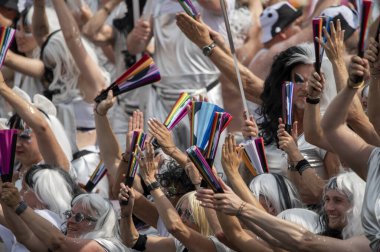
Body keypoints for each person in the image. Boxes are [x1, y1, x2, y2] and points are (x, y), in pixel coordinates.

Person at [196, 171, 370, 251]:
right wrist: (224, 198)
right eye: (327, 200)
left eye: (338, 201)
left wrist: (241, 208)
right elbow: (274, 238)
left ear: (358, 204)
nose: (329, 208)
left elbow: (304, 241)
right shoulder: (329, 236)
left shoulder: (369, 241)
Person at [0, 187, 127, 251]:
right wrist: (4, 198)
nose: (70, 221)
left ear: (99, 223)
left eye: (79, 217)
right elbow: (25, 236)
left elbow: (58, 242)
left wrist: (19, 205)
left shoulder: (105, 246)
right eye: (69, 214)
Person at [0, 164, 81, 251]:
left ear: (43, 195)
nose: (20, 193)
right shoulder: (58, 220)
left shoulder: (45, 216)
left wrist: (13, 200)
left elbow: (22, 232)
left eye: (25, 189)